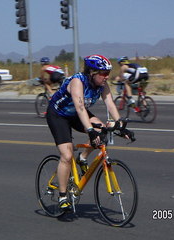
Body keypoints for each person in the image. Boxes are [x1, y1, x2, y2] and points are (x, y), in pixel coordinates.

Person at [46, 54, 134, 212]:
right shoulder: (77, 82)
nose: (107, 77)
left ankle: (83, 158)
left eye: (108, 73)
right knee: (66, 155)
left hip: (76, 115)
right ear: (92, 73)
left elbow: (110, 104)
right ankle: (62, 196)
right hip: (58, 115)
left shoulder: (102, 85)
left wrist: (121, 125)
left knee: (102, 131)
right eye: (103, 74)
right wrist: (90, 131)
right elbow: (80, 108)